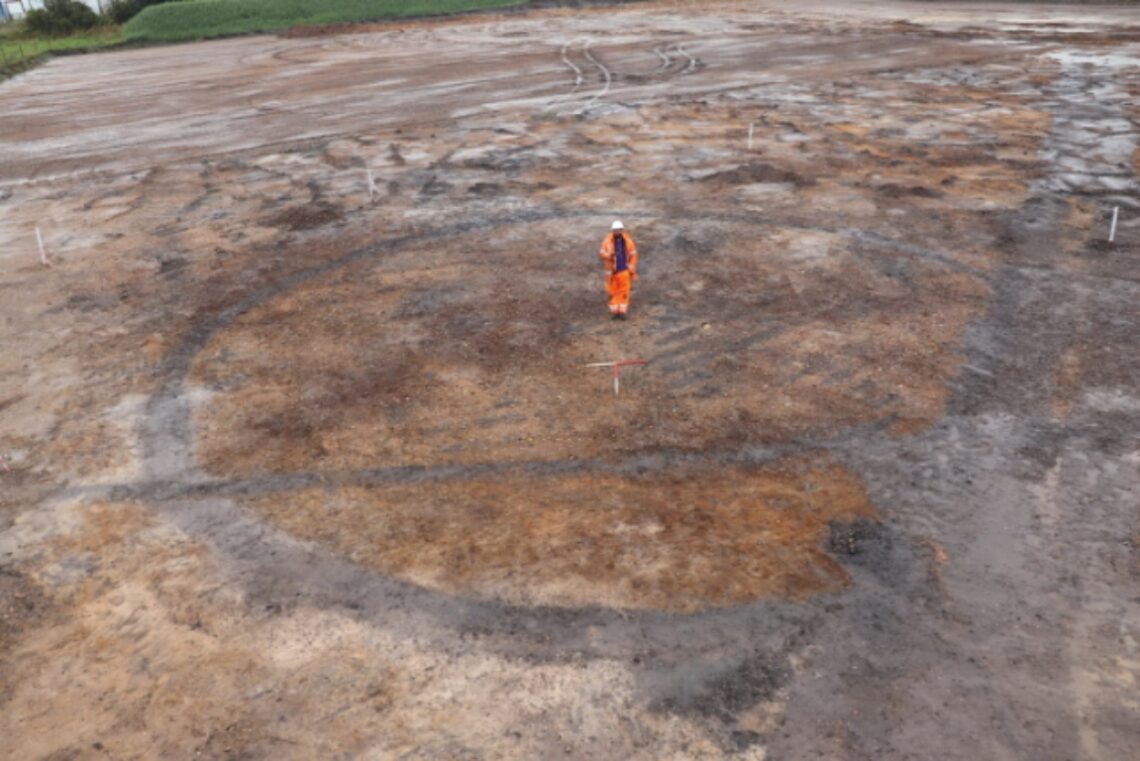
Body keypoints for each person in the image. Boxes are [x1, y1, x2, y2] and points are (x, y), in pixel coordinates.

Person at [599, 220, 638, 319]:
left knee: (624, 292)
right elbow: (602, 254)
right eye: (614, 230)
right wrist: (609, 255)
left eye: (618, 230)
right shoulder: (607, 241)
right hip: (612, 272)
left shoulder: (628, 241)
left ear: (621, 230)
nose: (616, 232)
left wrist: (631, 268)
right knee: (612, 292)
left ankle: (622, 312)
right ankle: (615, 312)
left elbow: (633, 255)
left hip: (623, 270)